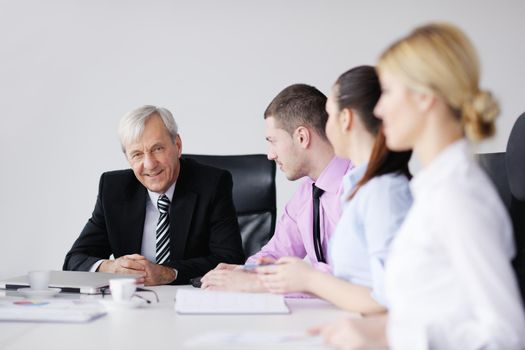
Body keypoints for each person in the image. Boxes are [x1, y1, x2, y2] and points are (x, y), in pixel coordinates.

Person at [316, 23, 525, 349]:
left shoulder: (457, 195)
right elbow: (436, 306)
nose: (379, 109)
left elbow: (507, 333)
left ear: (425, 97)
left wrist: (391, 336)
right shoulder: (433, 188)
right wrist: (380, 330)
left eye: (387, 92)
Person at [256, 66, 412, 314]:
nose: (325, 128)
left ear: (345, 119)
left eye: (329, 115)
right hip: (349, 321)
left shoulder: (381, 191)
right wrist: (252, 274)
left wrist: (305, 279)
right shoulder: (354, 185)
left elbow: (384, 293)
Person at [63, 105, 245, 286]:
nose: (149, 164)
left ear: (178, 146)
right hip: (134, 305)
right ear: (128, 159)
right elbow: (74, 260)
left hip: (190, 301)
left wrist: (169, 273)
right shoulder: (113, 189)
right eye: (137, 154)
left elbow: (230, 260)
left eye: (157, 149)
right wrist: (110, 267)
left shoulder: (212, 184)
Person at [200, 84, 352, 292]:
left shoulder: (359, 186)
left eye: (273, 141)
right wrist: (245, 272)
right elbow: (275, 253)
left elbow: (352, 277)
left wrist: (260, 283)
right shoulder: (307, 191)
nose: (270, 155)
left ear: (301, 137)